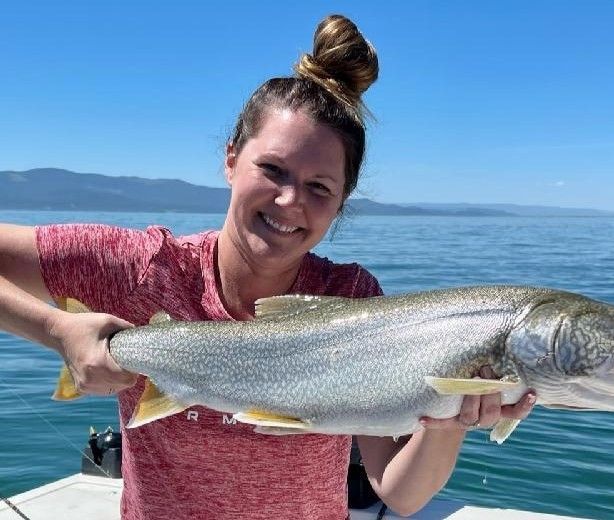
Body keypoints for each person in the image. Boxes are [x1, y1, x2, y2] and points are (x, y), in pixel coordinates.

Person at [0, 14, 535, 520]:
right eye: (272, 169)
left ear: (342, 201)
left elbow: (400, 491)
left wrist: (451, 423)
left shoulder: (354, 297)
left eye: (319, 187)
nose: (288, 201)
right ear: (231, 158)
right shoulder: (138, 267)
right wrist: (58, 329)